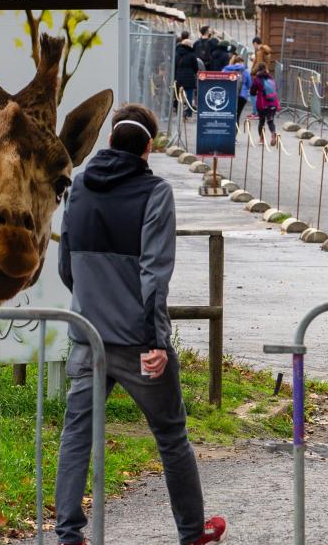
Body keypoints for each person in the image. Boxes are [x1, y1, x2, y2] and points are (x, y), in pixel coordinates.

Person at [55, 104, 228, 545]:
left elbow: (66, 268)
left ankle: (69, 535)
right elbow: (155, 273)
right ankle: (192, 532)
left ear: (111, 140)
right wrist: (154, 340)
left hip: (87, 337)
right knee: (171, 435)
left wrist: (93, 304)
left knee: (77, 434)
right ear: (148, 148)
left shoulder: (77, 192)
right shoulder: (155, 193)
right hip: (138, 343)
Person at [251, 65, 280, 146]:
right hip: (273, 103)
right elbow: (276, 89)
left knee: (261, 121)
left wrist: (257, 92)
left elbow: (252, 92)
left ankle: (262, 139)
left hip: (262, 104)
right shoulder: (271, 78)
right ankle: (273, 134)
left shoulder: (257, 79)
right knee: (270, 121)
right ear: (266, 70)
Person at [173, 32, 198, 120]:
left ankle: (178, 111)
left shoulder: (177, 53)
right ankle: (188, 113)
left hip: (179, 77)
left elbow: (175, 65)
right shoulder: (192, 55)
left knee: (178, 95)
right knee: (189, 96)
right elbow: (196, 67)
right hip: (189, 77)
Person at [222, 54, 251, 128]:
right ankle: (234, 135)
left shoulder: (226, 69)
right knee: (237, 115)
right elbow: (249, 84)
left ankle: (227, 133)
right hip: (242, 95)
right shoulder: (245, 71)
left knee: (228, 115)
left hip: (229, 94)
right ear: (242, 62)